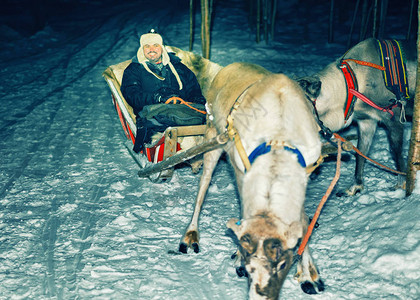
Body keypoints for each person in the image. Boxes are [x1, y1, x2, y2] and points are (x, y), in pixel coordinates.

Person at [121, 29, 206, 153]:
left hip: (181, 111)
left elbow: (193, 88)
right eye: (147, 46)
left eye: (155, 45)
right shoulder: (133, 70)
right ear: (142, 49)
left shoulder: (178, 67)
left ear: (162, 47)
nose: (152, 49)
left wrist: (197, 102)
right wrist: (157, 98)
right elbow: (132, 95)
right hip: (153, 115)